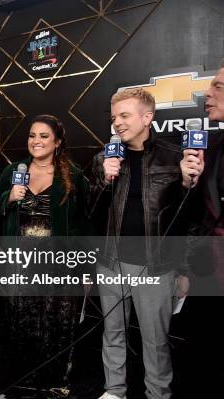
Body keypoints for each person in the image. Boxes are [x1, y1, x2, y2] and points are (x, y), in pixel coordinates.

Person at [91, 88, 190, 399]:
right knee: (113, 334)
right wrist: (103, 180)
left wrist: (184, 269)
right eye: (113, 118)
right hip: (111, 264)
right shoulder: (103, 158)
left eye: (124, 115)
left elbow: (187, 220)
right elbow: (89, 213)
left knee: (155, 339)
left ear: (147, 117)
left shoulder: (175, 157)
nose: (117, 123)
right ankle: (114, 390)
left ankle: (158, 393)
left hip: (155, 267)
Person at [0, 114, 91, 394]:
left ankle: (57, 384)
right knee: (24, 325)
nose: (36, 141)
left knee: (59, 325)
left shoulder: (74, 174)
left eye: (44, 136)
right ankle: (26, 383)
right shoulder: (13, 171)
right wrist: (8, 198)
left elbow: (85, 223)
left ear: (57, 142)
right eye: (32, 135)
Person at [179, 58, 224, 395]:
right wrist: (189, 182)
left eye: (218, 87)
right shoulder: (212, 149)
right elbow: (198, 215)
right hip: (210, 273)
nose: (206, 94)